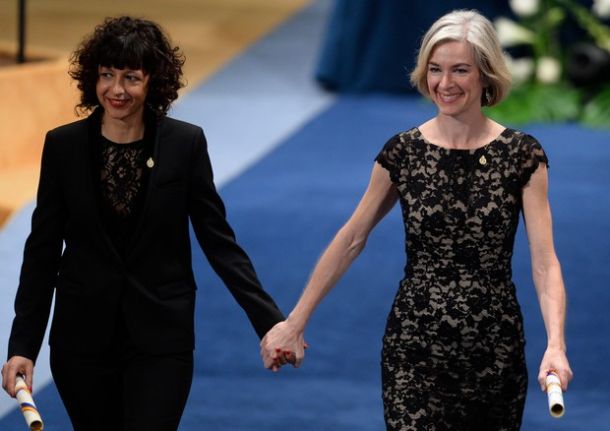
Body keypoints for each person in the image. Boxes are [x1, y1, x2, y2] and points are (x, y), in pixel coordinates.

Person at [261, 9, 573, 430]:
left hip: (494, 351)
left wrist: (556, 344)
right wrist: (295, 321)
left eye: (460, 70)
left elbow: (544, 262)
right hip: (413, 347)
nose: (445, 83)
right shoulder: (404, 152)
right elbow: (352, 238)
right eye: (435, 69)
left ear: (486, 74)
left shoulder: (522, 156)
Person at [1, 16, 287, 431]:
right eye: (107, 75)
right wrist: (22, 346)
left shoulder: (185, 144)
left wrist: (270, 321)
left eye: (131, 78)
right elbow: (42, 253)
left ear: (154, 82)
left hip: (161, 339)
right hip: (82, 341)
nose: (116, 90)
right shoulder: (63, 146)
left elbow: (219, 243)